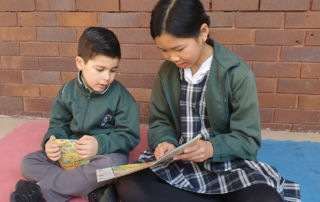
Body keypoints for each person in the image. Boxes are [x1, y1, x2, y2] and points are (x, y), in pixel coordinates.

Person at [115, 0, 300, 202]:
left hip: (228, 166)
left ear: (203, 32)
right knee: (128, 184)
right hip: (179, 164)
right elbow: (160, 122)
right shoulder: (166, 74)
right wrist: (165, 142)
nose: (173, 57)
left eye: (179, 48)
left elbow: (248, 140)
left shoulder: (237, 73)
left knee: (266, 199)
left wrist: (211, 148)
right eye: (164, 50)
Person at [10, 27, 140, 202]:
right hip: (71, 154)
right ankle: (91, 189)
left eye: (113, 70)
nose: (107, 78)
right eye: (100, 69)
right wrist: (52, 142)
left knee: (113, 166)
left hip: (105, 154)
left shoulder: (121, 97)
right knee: (28, 163)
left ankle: (41, 190)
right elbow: (58, 124)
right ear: (80, 63)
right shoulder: (66, 92)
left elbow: (129, 136)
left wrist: (99, 145)